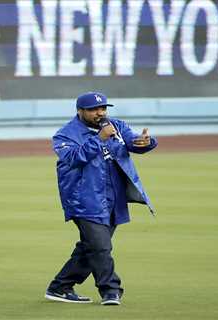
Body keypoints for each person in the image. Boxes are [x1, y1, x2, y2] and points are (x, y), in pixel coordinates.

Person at [45, 92, 157, 306]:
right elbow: (73, 158)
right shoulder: (65, 135)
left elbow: (134, 142)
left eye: (103, 108)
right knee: (100, 247)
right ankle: (110, 291)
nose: (101, 113)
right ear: (80, 111)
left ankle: (60, 287)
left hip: (114, 198)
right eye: (94, 109)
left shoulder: (117, 126)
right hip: (83, 199)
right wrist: (100, 139)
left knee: (91, 246)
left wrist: (146, 142)